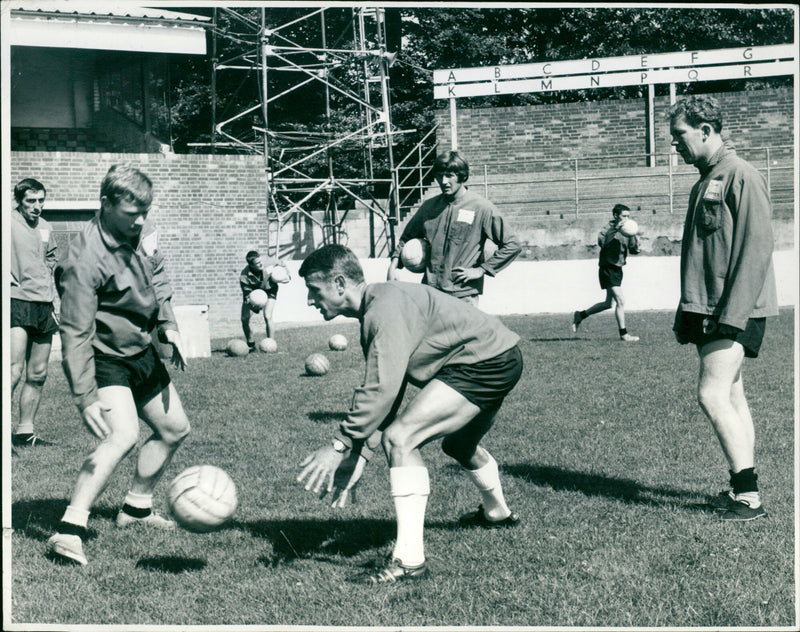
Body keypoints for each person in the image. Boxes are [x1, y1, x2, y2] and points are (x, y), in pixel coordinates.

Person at [297, 244, 523, 584]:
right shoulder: (381, 305)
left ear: (340, 283)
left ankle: (409, 562)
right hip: (498, 356)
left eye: (315, 291)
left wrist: (340, 445)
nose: (311, 300)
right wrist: (360, 454)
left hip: (482, 364)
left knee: (401, 440)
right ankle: (497, 514)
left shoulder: (382, 311)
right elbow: (390, 391)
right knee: (459, 447)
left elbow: (380, 391)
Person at [47, 165, 191, 565]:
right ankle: (68, 530)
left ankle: (136, 509)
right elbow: (74, 333)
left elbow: (155, 277)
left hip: (141, 350)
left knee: (174, 428)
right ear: (106, 204)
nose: (141, 220)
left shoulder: (134, 231)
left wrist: (168, 324)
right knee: (122, 435)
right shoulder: (83, 260)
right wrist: (85, 395)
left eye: (145, 211)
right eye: (133, 213)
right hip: (105, 356)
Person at [669, 95, 778, 521]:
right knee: (732, 393)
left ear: (706, 130)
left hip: (733, 308)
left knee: (711, 393)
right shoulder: (705, 178)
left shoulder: (741, 175)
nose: (675, 145)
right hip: (708, 306)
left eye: (680, 135)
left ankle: (748, 497)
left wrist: (730, 315)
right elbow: (699, 256)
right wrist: (687, 311)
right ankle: (742, 489)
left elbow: (757, 248)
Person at [387, 151, 521, 306]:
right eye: (439, 175)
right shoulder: (429, 207)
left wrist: (481, 269)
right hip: (430, 293)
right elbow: (407, 237)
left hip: (462, 295)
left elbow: (512, 245)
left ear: (462, 176)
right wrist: (394, 265)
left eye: (450, 175)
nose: (444, 181)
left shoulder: (481, 208)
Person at [10, 178, 58, 447]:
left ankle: (24, 432)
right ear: (19, 201)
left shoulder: (46, 227)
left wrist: (46, 278)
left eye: (41, 200)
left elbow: (51, 257)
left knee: (38, 373)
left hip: (44, 304)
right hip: (16, 300)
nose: (37, 206)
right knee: (13, 371)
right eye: (31, 201)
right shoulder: (8, 221)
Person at [571, 204, 641, 341]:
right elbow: (603, 243)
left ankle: (580, 315)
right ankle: (624, 334)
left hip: (618, 268)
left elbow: (633, 249)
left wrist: (636, 241)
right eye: (624, 216)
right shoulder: (607, 229)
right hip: (607, 268)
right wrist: (616, 229)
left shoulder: (628, 229)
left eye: (628, 216)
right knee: (621, 300)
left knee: (608, 304)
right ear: (615, 216)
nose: (626, 219)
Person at [240, 249, 290, 351]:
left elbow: (283, 267)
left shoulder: (270, 262)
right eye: (257, 263)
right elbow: (247, 295)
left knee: (268, 316)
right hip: (254, 293)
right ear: (251, 265)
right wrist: (254, 305)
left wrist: (286, 276)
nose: (260, 264)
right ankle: (250, 343)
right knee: (244, 318)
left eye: (260, 261)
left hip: (270, 289)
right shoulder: (244, 275)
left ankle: (271, 345)